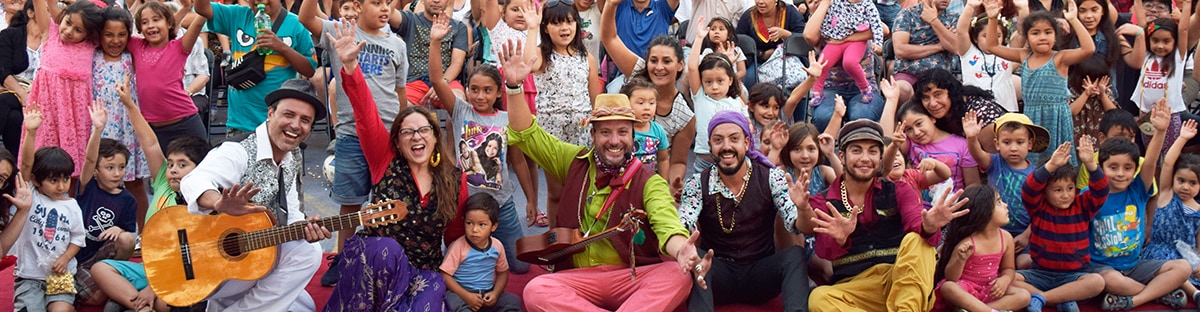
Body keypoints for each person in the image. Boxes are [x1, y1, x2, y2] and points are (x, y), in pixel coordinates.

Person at [498, 39, 701, 311]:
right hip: (577, 278)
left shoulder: (648, 180)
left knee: (677, 275)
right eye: (605, 132)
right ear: (592, 135)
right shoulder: (573, 160)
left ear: (633, 135)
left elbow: (667, 225)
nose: (614, 141)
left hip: (630, 275)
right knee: (537, 290)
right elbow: (527, 135)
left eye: (622, 132)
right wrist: (514, 88)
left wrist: (681, 249)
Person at [326, 22, 464, 311]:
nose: (416, 137)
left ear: (436, 137)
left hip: (421, 271)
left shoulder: (453, 177)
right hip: (375, 264)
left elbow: (453, 237)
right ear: (398, 142)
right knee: (385, 250)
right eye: (407, 132)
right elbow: (365, 113)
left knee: (433, 289)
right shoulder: (384, 159)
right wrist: (350, 66)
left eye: (424, 130)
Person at [179, 79, 332, 311]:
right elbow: (192, 181)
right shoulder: (238, 150)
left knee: (306, 303)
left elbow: (291, 218)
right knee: (306, 259)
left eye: (305, 120)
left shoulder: (290, 161)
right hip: (204, 263)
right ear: (270, 113)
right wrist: (218, 203)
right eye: (288, 114)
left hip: (249, 261)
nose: (295, 125)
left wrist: (306, 229)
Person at [797, 119, 969, 311]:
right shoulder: (825, 199)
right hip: (857, 288)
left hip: (900, 278)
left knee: (918, 240)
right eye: (856, 150)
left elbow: (915, 223)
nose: (865, 158)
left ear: (880, 159)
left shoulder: (898, 189)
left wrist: (928, 226)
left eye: (872, 151)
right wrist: (840, 239)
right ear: (842, 157)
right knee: (819, 298)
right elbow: (821, 247)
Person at [299, 0, 409, 285]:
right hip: (351, 132)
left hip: (389, 134)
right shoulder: (340, 30)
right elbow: (305, 16)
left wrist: (406, 127)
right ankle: (344, 256)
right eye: (376, 3)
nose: (385, 8)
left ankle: (384, 259)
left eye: (388, 3)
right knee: (350, 202)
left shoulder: (397, 44)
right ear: (358, 7)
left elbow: (400, 92)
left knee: (386, 202)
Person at [678, 111, 810, 311]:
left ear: (747, 143)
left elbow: (800, 225)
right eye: (718, 140)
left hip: (760, 274)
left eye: (734, 139)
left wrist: (803, 208)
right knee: (697, 258)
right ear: (711, 146)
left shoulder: (771, 177)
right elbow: (684, 220)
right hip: (717, 273)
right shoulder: (697, 183)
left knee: (795, 255)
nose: (726, 146)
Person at [1087, 99, 1192, 310]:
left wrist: (1160, 131)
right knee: (1109, 281)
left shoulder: (1137, 191)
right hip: (1102, 269)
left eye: (1127, 168)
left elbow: (1151, 161)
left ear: (1135, 169)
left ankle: (1134, 300)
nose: (1120, 173)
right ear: (1101, 167)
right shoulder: (1088, 195)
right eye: (1113, 167)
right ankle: (1159, 293)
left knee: (1183, 267)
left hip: (1135, 266)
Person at [984, 0, 1094, 166]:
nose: (1042, 37)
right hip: (1032, 117)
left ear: (1055, 36)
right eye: (1035, 33)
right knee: (1035, 164)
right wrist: (992, 19)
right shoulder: (1023, 56)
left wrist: (1073, 19)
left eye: (1048, 32)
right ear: (1026, 37)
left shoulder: (1060, 58)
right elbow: (992, 46)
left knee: (1061, 164)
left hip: (1057, 116)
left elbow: (1088, 49)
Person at [194, 0, 317, 137]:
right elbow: (202, 8)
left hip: (280, 124)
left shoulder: (295, 24)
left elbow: (309, 69)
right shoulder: (236, 14)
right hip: (240, 124)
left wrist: (282, 48)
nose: (261, 1)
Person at [1013, 139, 1107, 312]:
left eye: (1070, 188)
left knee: (1097, 282)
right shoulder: (1039, 207)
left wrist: (1090, 164)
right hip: (1040, 272)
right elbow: (1029, 189)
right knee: (1009, 279)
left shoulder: (1082, 206)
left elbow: (1101, 190)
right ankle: (1063, 298)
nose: (1065, 195)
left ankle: (1042, 298)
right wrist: (1051, 165)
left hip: (1073, 276)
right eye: (1058, 190)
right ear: (1045, 192)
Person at [14, 103, 86, 312]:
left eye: (65, 179)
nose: (61, 186)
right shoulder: (32, 196)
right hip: (30, 277)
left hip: (60, 276)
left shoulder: (72, 205)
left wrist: (65, 258)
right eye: (53, 180)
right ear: (37, 181)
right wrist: (31, 132)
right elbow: (26, 166)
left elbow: (77, 239)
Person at [24, 0, 104, 177]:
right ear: (63, 17)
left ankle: (69, 196)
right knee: (41, 154)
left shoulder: (91, 45)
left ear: (89, 34)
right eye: (68, 23)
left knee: (73, 163)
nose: (69, 32)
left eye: (78, 30)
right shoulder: (49, 31)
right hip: (46, 109)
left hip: (74, 115)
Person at [73, 105, 139, 307]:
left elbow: (129, 236)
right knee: (97, 299)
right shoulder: (88, 187)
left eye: (121, 167)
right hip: (78, 257)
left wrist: (118, 229)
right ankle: (110, 287)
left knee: (127, 239)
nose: (117, 173)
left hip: (103, 256)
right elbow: (90, 159)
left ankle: (114, 276)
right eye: (109, 168)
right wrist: (98, 129)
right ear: (96, 171)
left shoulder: (128, 199)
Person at [964, 112, 1049, 270]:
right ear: (997, 144)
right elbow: (978, 154)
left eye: (1020, 142)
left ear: (1030, 144)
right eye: (1007, 142)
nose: (1013, 148)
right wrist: (972, 138)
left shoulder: (1036, 175)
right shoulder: (995, 163)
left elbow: (1042, 211)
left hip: (1026, 234)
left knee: (1024, 263)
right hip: (994, 232)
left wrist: (1026, 235)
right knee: (991, 265)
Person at [933, 185, 1032, 311]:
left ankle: (978, 309)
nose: (1006, 205)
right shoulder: (968, 242)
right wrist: (960, 259)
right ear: (983, 212)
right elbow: (951, 278)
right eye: (999, 202)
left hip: (991, 289)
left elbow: (1008, 268)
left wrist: (1004, 280)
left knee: (1024, 296)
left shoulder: (1006, 238)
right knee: (948, 288)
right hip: (966, 290)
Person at [1141, 119, 1200, 303]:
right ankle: (1195, 294)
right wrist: (1182, 138)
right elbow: (1167, 163)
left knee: (1187, 268)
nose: (1185, 187)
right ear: (1173, 179)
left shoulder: (1198, 211)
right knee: (1174, 269)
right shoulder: (1167, 194)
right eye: (1181, 180)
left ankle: (1170, 294)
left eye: (1192, 183)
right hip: (1159, 253)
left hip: (1185, 256)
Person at [440, 193, 523, 312]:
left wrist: (495, 293)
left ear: (493, 226)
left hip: (486, 294)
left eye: (482, 225)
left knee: (512, 301)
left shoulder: (497, 246)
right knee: (450, 302)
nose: (474, 230)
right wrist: (467, 296)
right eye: (469, 223)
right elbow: (445, 275)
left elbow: (502, 273)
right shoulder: (458, 246)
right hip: (462, 294)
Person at [388, 0, 469, 107]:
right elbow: (388, 12)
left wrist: (443, 83)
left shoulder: (459, 27)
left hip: (447, 81)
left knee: (459, 103)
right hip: (414, 82)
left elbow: (457, 63)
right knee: (399, 106)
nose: (436, 0)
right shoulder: (410, 20)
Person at [809, 0, 885, 104]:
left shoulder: (868, 4)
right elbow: (826, 20)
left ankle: (865, 88)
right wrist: (828, 34)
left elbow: (877, 26)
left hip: (856, 40)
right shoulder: (836, 2)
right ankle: (817, 92)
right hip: (835, 40)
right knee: (822, 62)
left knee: (850, 62)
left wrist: (878, 43)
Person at [892, 0, 961, 102]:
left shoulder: (954, 18)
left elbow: (957, 49)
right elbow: (900, 50)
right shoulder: (907, 14)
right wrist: (939, 46)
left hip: (941, 75)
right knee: (901, 89)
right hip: (909, 73)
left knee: (962, 93)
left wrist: (934, 21)